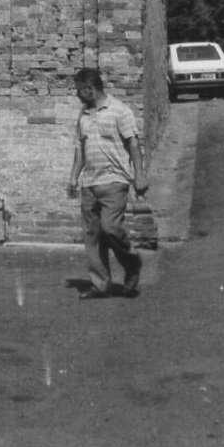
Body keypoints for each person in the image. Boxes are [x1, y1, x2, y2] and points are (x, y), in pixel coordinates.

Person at [66, 66, 148, 299]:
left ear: (91, 89)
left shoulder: (120, 111)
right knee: (92, 235)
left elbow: (133, 144)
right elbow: (80, 149)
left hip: (115, 179)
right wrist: (73, 178)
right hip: (90, 182)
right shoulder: (83, 115)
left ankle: (132, 263)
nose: (77, 95)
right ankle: (100, 284)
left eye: (80, 91)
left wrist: (139, 175)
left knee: (110, 227)